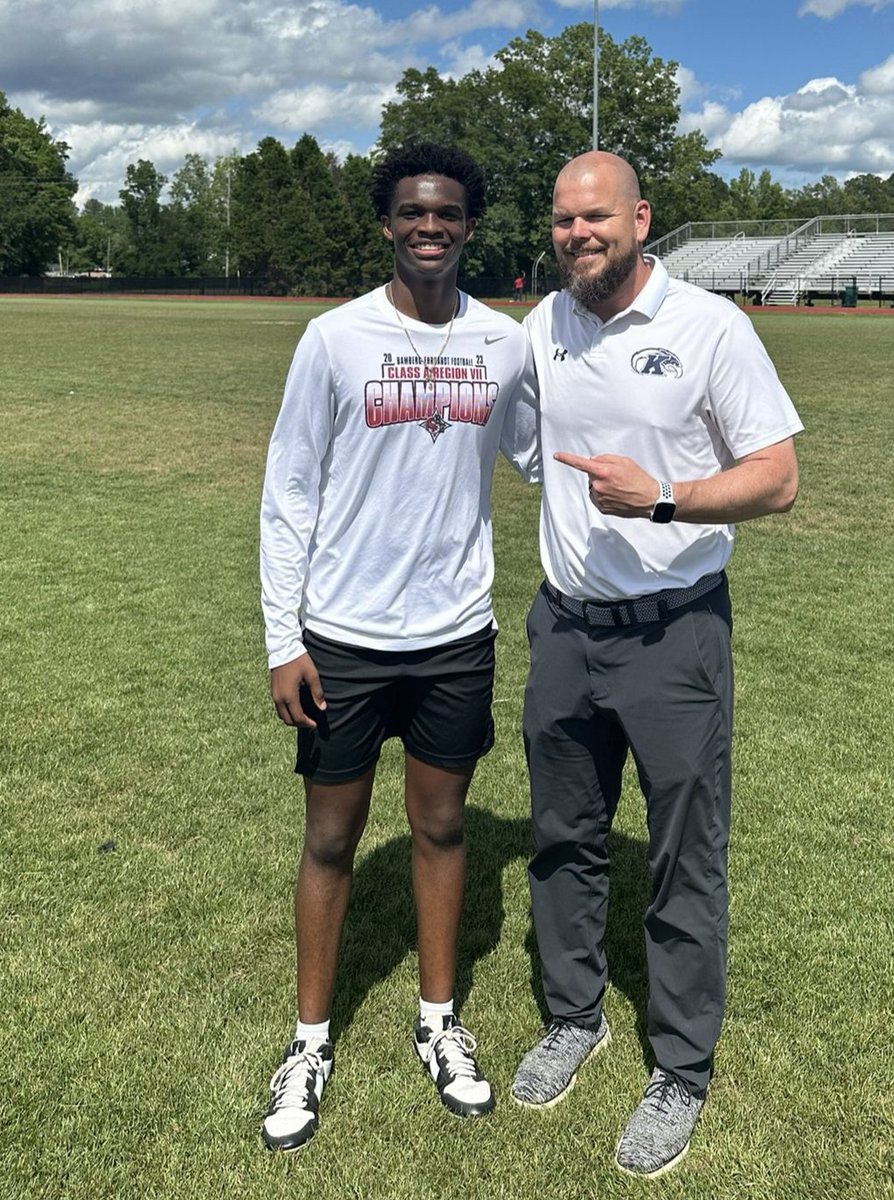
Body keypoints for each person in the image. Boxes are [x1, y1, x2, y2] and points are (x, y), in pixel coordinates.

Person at [510, 151, 802, 1178]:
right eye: (559, 220)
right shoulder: (539, 329)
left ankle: (678, 1065)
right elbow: (514, 442)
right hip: (563, 629)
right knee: (562, 836)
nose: (574, 234)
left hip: (674, 635)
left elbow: (775, 478)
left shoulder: (708, 327)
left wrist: (664, 498)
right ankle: (572, 1017)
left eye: (592, 217)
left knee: (683, 851)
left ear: (639, 219)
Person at [258, 142, 538, 1152]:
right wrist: (282, 639)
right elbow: (287, 493)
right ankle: (308, 1041)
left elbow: (538, 452)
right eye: (413, 212)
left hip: (455, 638)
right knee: (330, 838)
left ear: (469, 225)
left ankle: (436, 1024)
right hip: (342, 641)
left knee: (442, 828)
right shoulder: (332, 340)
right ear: (386, 223)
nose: (431, 226)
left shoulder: (501, 344)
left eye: (449, 213)